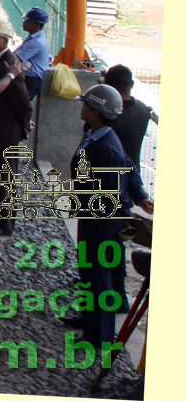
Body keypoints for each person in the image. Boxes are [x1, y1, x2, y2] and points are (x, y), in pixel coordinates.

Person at [64, 84, 153, 352]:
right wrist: (140, 195)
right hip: (97, 218)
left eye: (86, 105)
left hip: (102, 221)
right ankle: (91, 321)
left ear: (96, 111)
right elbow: (131, 166)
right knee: (90, 273)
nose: (82, 108)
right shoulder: (99, 136)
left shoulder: (105, 147)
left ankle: (100, 334)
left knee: (98, 274)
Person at [0, 18, 33, 236]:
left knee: (5, 180)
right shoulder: (1, 61)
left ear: (4, 40)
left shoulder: (9, 64)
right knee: (1, 178)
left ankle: (5, 224)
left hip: (5, 134)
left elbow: (22, 100)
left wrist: (24, 124)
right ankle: (2, 220)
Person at [102, 64, 153, 175]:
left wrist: (101, 94)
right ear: (132, 84)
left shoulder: (106, 115)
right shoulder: (143, 109)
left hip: (108, 177)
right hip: (133, 175)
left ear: (106, 85)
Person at [15, 6, 51, 103]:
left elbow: (16, 58)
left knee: (20, 106)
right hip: (28, 78)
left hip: (31, 80)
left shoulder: (36, 42)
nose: (24, 22)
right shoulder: (33, 38)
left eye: (27, 21)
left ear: (36, 25)